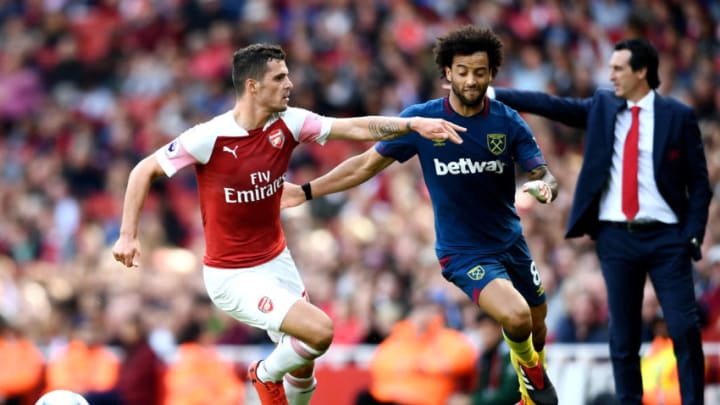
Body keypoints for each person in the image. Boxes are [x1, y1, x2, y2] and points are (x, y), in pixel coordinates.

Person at [111, 43, 464, 405]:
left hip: (277, 261)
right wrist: (128, 235)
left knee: (303, 364)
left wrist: (411, 124)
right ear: (252, 86)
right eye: (279, 77)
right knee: (320, 332)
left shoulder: (290, 122)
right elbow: (144, 169)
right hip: (232, 276)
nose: (289, 84)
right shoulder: (209, 137)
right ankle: (262, 374)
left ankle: (277, 381)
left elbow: (356, 127)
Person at [282, 26, 558, 405]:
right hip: (463, 253)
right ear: (447, 73)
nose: (471, 79)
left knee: (538, 320)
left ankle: (530, 390)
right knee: (517, 317)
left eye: (480, 72)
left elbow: (542, 173)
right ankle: (534, 380)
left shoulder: (508, 122)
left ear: (492, 73)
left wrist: (545, 187)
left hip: (512, 243)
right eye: (462, 71)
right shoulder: (422, 122)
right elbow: (364, 166)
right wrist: (307, 190)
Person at [491, 38, 711, 405]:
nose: (610, 75)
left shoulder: (678, 116)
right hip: (615, 238)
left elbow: (700, 184)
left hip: (666, 239)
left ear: (642, 72)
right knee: (622, 334)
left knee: (684, 328)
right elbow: (551, 105)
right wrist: (495, 93)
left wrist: (692, 235)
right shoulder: (603, 107)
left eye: (618, 68)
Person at [355, 293, 477, 405]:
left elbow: (463, 361)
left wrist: (424, 365)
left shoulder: (447, 338)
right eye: (418, 311)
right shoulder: (398, 337)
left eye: (427, 311)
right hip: (390, 395)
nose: (421, 317)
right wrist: (415, 366)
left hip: (426, 397)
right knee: (363, 397)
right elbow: (380, 364)